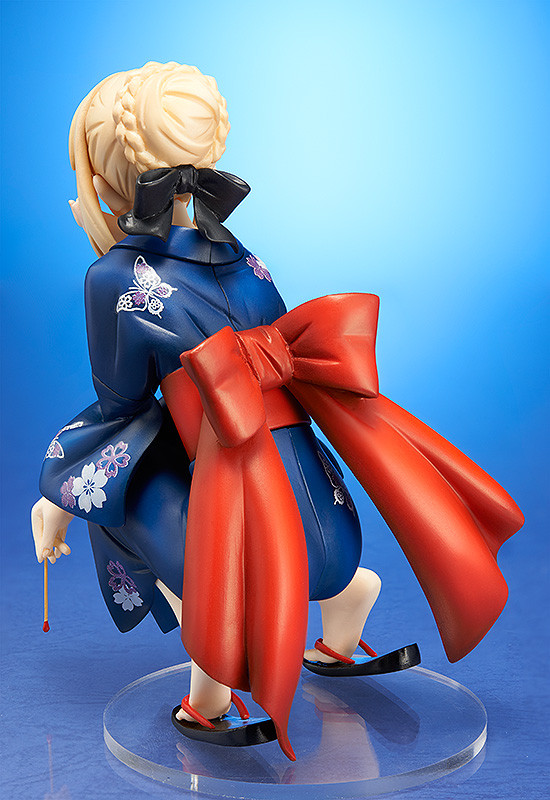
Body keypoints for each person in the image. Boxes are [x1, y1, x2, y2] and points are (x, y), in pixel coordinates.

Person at [31, 61, 524, 761]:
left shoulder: (115, 279)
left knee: (119, 492)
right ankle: (344, 616)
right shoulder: (242, 257)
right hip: (321, 512)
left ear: (106, 175)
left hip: (240, 519)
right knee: (276, 507)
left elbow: (121, 405)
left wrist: (58, 490)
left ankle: (210, 691)